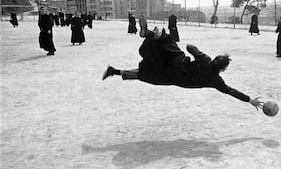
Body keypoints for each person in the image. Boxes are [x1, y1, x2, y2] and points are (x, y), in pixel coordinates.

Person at [102, 16, 263, 110]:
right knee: (147, 74)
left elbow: (190, 47)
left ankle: (151, 36)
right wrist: (249, 100)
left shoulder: (205, 60)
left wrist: (198, 53)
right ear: (223, 70)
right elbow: (230, 91)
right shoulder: (215, 81)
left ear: (215, 59)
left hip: (178, 62)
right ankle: (150, 37)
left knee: (168, 44)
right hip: (172, 77)